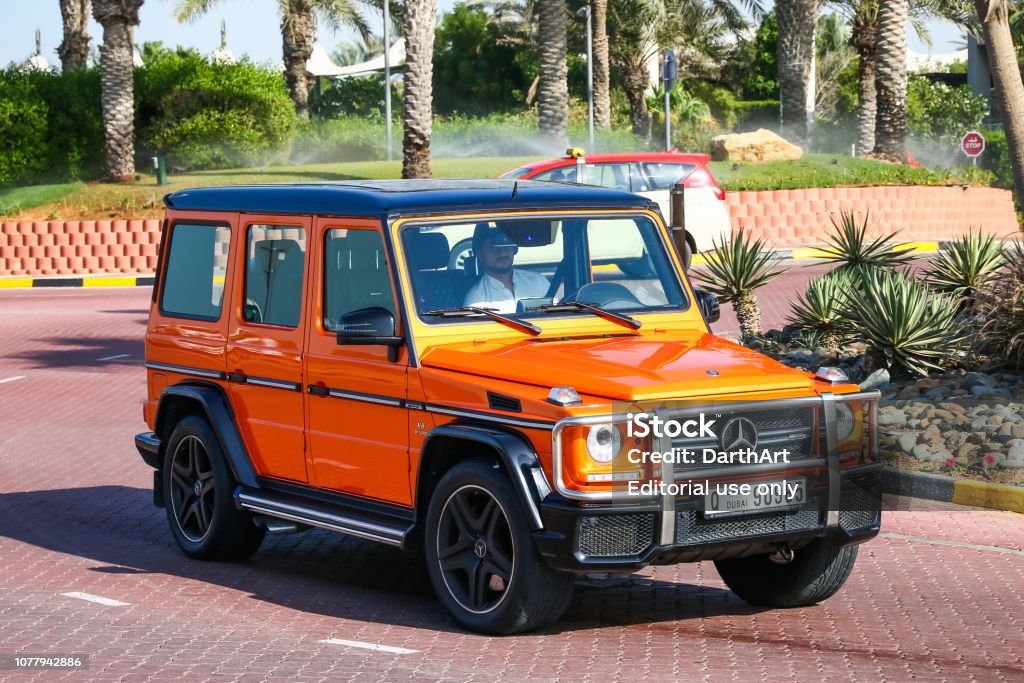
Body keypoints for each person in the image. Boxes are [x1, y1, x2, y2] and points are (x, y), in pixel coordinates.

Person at [463, 224, 550, 313]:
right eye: (494, 247)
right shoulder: (476, 301)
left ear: (514, 249)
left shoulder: (538, 282)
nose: (502, 252)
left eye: (506, 244)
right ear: (480, 255)